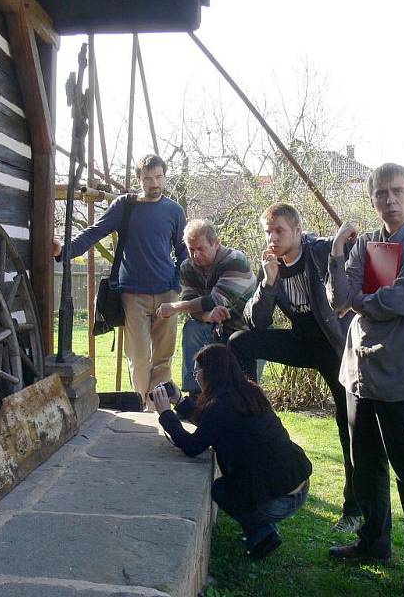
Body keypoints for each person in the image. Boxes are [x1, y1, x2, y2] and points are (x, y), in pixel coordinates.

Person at [326, 163, 404, 597]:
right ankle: (374, 543)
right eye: (380, 193)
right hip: (360, 373)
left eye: (396, 191)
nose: (389, 200)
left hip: (403, 377)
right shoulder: (367, 244)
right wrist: (338, 255)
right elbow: (339, 299)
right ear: (372, 198)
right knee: (366, 466)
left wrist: (361, 300)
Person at [227, 203, 362, 534]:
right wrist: (268, 282)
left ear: (298, 231)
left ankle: (354, 509)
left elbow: (350, 247)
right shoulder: (271, 264)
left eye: (279, 231)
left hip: (333, 347)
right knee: (239, 342)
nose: (272, 238)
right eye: (268, 232)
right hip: (302, 342)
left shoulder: (316, 252)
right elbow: (256, 322)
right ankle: (249, 408)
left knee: (348, 427)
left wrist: (345, 242)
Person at [151, 343, 312, 559]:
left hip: (278, 502)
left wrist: (165, 414)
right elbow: (212, 423)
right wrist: (180, 401)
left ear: (211, 373)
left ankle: (262, 531)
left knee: (222, 489)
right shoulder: (249, 391)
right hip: (299, 485)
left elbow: (192, 446)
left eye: (197, 372)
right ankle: (263, 531)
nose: (195, 377)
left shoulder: (219, 406)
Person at [55, 154, 188, 410]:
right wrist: (65, 250)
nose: (154, 183)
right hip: (133, 294)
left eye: (159, 177)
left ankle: (157, 409)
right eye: (148, 178)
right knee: (138, 357)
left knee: (163, 357)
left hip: (167, 294)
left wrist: (178, 285)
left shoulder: (174, 211)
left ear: (164, 176)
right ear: (139, 179)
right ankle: (145, 402)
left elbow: (183, 253)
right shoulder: (125, 206)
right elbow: (96, 231)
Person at [155, 219, 256, 398]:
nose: (195, 255)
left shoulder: (235, 261)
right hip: (215, 327)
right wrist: (209, 316)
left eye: (200, 249)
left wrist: (174, 307)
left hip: (247, 329)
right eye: (191, 249)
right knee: (192, 329)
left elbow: (216, 299)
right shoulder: (188, 267)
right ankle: (194, 396)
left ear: (216, 243)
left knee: (242, 391)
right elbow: (192, 303)